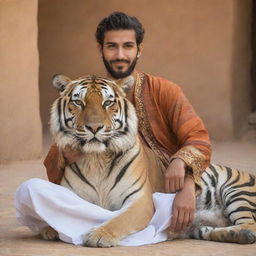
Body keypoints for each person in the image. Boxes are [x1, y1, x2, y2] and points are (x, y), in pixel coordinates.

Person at [44, 12, 211, 234]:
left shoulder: (165, 91)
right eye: (112, 46)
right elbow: (58, 152)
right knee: (31, 192)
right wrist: (64, 154)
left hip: (160, 189)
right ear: (100, 49)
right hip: (101, 193)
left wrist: (184, 173)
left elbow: (198, 138)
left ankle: (107, 223)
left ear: (139, 50)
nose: (120, 54)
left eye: (128, 46)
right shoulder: (84, 91)